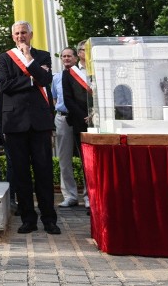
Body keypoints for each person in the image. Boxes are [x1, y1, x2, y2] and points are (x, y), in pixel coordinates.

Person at [0, 21, 59, 235]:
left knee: (44, 172)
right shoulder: (5, 58)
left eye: (24, 32)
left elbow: (45, 79)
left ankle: (49, 219)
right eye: (17, 33)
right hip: (15, 123)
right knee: (21, 174)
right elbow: (4, 85)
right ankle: (28, 219)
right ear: (12, 36)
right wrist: (32, 81)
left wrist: (30, 60)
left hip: (40, 122)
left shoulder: (43, 56)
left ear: (30, 34)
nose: (20, 36)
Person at [63, 41, 93, 214]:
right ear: (79, 54)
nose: (86, 52)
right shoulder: (70, 74)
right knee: (85, 160)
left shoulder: (97, 69)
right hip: (80, 121)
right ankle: (89, 197)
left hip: (99, 120)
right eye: (83, 50)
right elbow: (68, 100)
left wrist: (95, 114)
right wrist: (84, 116)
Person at [52, 47, 78, 208]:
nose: (66, 58)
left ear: (75, 58)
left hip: (81, 120)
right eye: (63, 56)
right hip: (63, 118)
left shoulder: (82, 76)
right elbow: (54, 98)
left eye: (69, 56)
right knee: (64, 159)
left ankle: (89, 196)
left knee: (86, 158)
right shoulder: (57, 77)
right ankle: (70, 195)